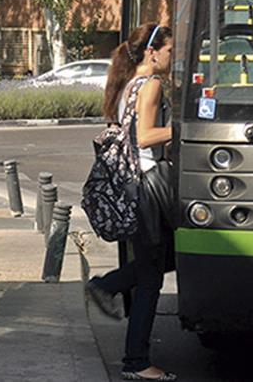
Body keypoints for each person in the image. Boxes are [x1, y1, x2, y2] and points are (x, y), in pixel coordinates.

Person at [85, 23, 177, 382]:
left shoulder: (129, 84)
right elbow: (145, 137)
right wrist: (181, 129)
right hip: (148, 188)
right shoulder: (151, 84)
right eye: (169, 51)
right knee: (153, 276)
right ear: (152, 52)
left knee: (160, 262)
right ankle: (136, 361)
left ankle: (107, 286)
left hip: (133, 187)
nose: (171, 57)